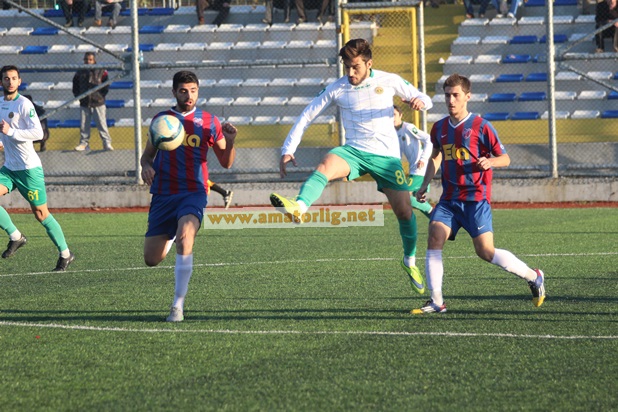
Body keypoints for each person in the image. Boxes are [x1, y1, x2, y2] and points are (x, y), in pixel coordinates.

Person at [269, 38, 433, 297]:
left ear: (369, 64)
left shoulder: (389, 80)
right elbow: (307, 114)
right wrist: (288, 149)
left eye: (355, 66)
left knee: (404, 212)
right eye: (347, 66)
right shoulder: (338, 87)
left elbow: (423, 97)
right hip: (354, 152)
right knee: (326, 164)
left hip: (387, 158)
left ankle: (409, 261)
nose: (350, 72)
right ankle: (299, 207)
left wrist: (421, 102)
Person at [413, 73, 545, 314]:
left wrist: (490, 162)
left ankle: (533, 276)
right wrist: (424, 184)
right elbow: (436, 156)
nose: (451, 100)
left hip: (475, 200)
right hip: (449, 200)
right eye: (447, 95)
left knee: (485, 251)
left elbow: (505, 158)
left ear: (467, 96)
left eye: (456, 95)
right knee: (434, 237)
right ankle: (437, 301)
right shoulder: (439, 128)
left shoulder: (481, 126)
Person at [140, 70, 237, 322]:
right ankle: (171, 234)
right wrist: (146, 167)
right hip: (163, 193)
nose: (189, 95)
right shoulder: (161, 120)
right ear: (174, 92)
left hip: (193, 191)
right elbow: (147, 156)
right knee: (152, 259)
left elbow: (226, 162)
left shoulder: (209, 122)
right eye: (183, 91)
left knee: (186, 238)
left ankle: (177, 305)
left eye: (193, 90)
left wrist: (230, 141)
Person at [0, 65, 75, 271]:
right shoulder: (0, 104)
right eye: (6, 78)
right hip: (10, 168)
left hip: (29, 169)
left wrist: (11, 132)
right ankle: (16, 236)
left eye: (14, 78)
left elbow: (38, 133)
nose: (10, 82)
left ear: (19, 81)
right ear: (1, 82)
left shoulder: (24, 104)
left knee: (41, 214)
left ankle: (65, 254)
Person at [394, 105, 433, 220]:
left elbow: (428, 139)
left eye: (394, 115)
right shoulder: (394, 133)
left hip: (420, 168)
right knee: (417, 199)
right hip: (413, 169)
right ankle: (437, 221)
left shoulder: (408, 127)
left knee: (405, 196)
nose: (392, 118)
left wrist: (423, 158)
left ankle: (435, 214)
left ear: (401, 115)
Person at [72, 52, 114, 152]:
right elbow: (75, 86)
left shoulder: (101, 70)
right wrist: (79, 97)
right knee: (84, 125)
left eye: (90, 60)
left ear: (94, 60)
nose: (88, 61)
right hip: (84, 102)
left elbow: (106, 85)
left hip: (98, 102)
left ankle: (106, 142)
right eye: (86, 59)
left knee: (101, 124)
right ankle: (84, 143)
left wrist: (100, 96)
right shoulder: (80, 72)